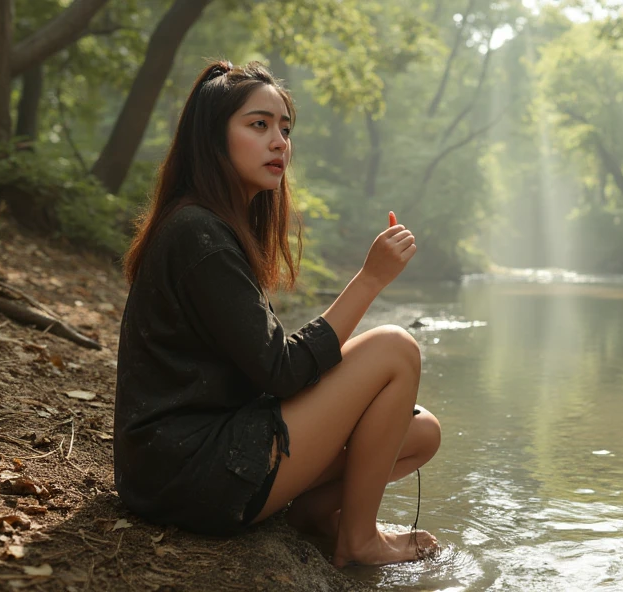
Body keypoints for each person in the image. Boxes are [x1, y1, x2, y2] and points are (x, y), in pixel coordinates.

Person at [113, 60, 441, 567]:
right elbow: (280, 371)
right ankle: (358, 541)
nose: (279, 142)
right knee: (395, 348)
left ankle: (310, 517)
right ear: (212, 137)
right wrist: (370, 279)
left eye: (285, 129)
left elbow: (261, 370)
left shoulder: (214, 226)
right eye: (259, 124)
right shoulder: (197, 234)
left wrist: (362, 407)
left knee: (418, 433)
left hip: (189, 463)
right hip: (187, 473)